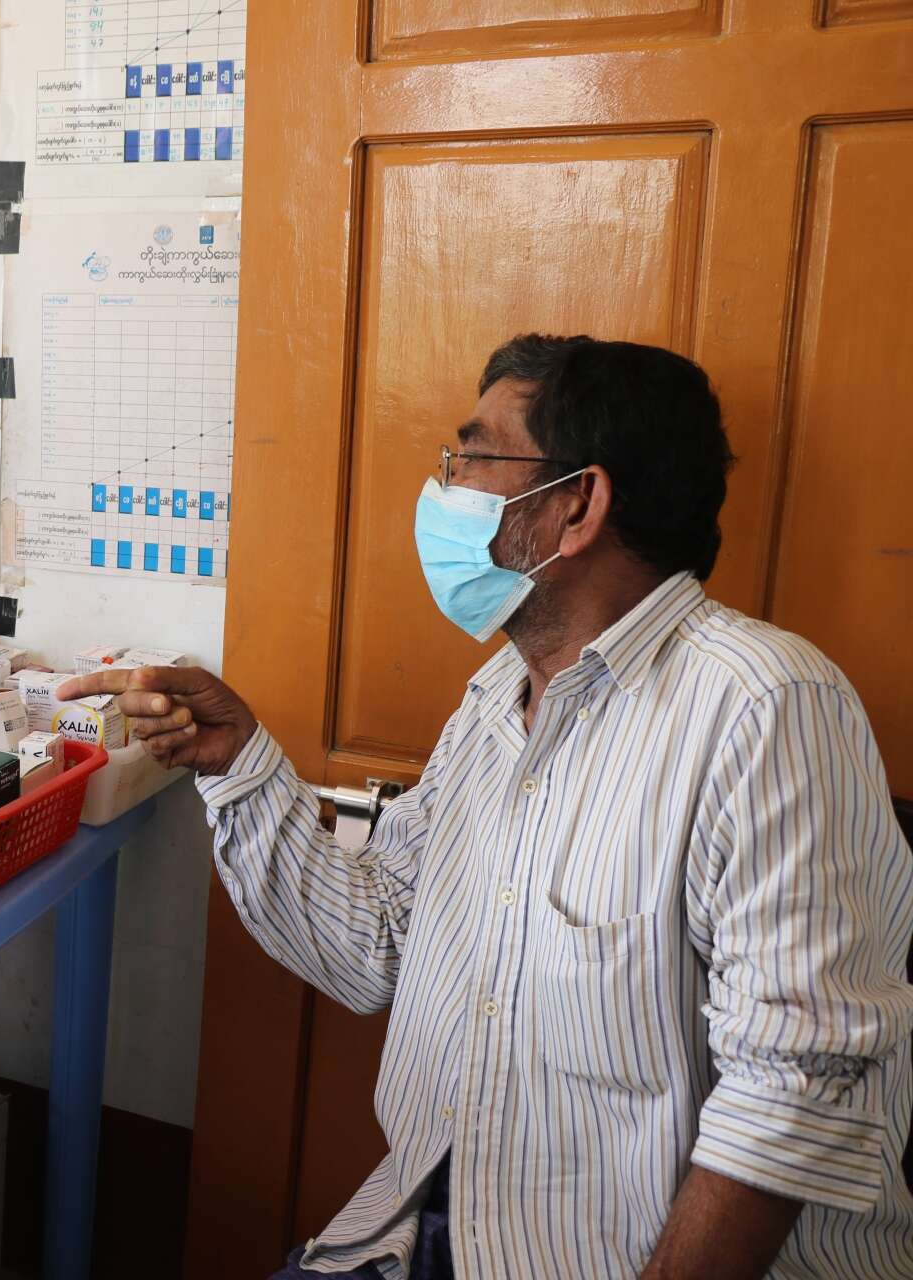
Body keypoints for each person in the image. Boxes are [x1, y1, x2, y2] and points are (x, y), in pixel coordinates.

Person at [62, 336, 913, 1279]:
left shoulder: (765, 705)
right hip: (435, 1225)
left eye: (471, 459)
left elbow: (792, 1093)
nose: (445, 488)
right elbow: (374, 945)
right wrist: (237, 764)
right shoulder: (496, 701)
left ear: (577, 504)